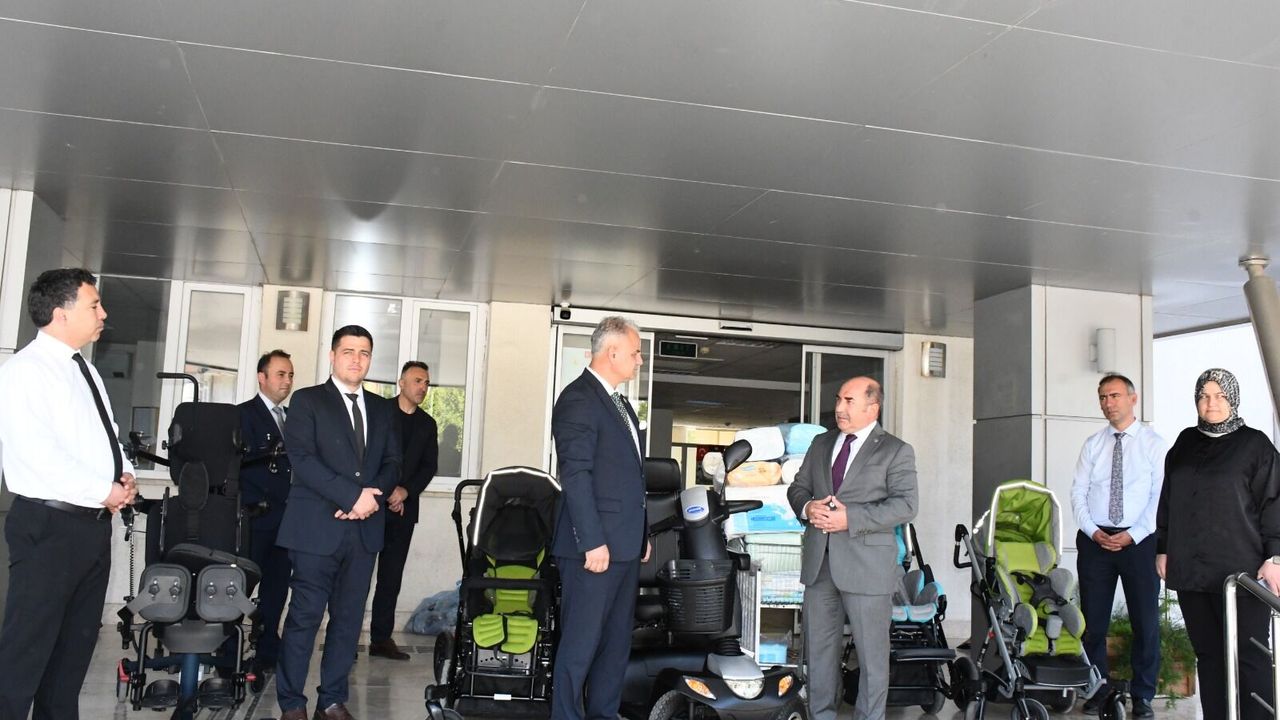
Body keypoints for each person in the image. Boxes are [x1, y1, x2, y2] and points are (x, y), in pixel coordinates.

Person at [0, 268, 137, 720]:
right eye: (94, 305)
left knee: (71, 659)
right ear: (61, 314)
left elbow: (106, 434)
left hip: (90, 528)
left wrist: (125, 474)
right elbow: (39, 454)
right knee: (25, 654)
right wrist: (104, 489)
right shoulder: (23, 372)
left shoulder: (85, 369)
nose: (104, 313)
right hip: (49, 527)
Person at [275, 325, 402, 720]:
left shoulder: (382, 408)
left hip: (364, 533)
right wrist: (351, 497)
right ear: (332, 356)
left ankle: (331, 700)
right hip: (316, 530)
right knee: (304, 619)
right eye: (348, 351)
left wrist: (370, 500)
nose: (356, 360)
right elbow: (302, 459)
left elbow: (392, 462)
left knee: (348, 622)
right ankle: (292, 703)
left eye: (364, 353)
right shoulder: (308, 400)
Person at [786, 376, 918, 720]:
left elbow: (906, 505)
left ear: (872, 408)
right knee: (819, 655)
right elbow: (798, 488)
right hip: (820, 565)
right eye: (838, 399)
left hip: (867, 568)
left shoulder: (895, 450)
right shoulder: (821, 442)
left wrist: (851, 518)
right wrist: (807, 507)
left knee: (872, 659)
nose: (839, 408)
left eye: (849, 401)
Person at [1157, 368, 1280, 720]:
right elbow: (1168, 500)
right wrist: (1162, 548)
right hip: (1192, 570)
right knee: (1209, 656)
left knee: (1250, 657)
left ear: (1233, 399)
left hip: (1242, 573)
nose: (1211, 403)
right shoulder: (1184, 443)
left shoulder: (1256, 445)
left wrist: (1274, 556)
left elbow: (1274, 502)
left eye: (1220, 396)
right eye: (1204, 396)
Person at [550, 315, 650, 720]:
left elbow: (631, 477)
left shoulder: (621, 405)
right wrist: (592, 540)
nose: (639, 360)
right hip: (592, 550)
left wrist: (641, 533)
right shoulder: (578, 399)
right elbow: (576, 475)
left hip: (624, 547)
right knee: (580, 646)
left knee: (614, 647)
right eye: (635, 353)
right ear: (612, 352)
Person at [1070, 374, 1165, 718]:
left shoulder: (1154, 444)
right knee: (1093, 624)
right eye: (1102, 397)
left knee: (1145, 623)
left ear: (1132, 399)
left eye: (1114, 396)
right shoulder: (1093, 444)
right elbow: (1078, 491)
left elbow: (1160, 497)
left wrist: (1134, 534)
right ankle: (1100, 691)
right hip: (1095, 542)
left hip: (1139, 543)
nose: (1108, 403)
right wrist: (1093, 531)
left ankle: (1143, 696)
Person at [368, 360, 438, 660]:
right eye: (418, 381)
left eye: (426, 383)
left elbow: (428, 467)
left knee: (391, 577)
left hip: (403, 510)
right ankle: (343, 638)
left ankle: (381, 639)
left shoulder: (427, 424)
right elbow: (368, 457)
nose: (423, 387)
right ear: (401, 383)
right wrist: (386, 491)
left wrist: (405, 492)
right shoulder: (380, 413)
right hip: (371, 506)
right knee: (357, 574)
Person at [238, 348, 295, 674]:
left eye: (290, 375)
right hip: (255, 518)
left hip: (286, 521)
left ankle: (268, 648)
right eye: (280, 374)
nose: (287, 381)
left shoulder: (291, 418)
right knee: (241, 587)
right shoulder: (244, 415)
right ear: (262, 377)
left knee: (276, 589)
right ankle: (229, 648)